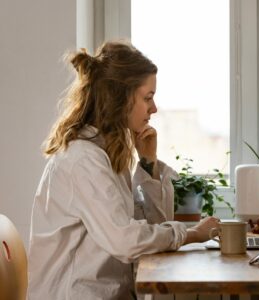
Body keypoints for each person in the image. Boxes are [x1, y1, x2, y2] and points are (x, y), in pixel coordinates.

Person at [27, 40, 219, 300]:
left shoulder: (107, 152)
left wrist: (148, 162)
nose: (154, 108)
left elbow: (151, 226)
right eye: (148, 98)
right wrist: (191, 233)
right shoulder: (83, 160)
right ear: (120, 97)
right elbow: (126, 241)